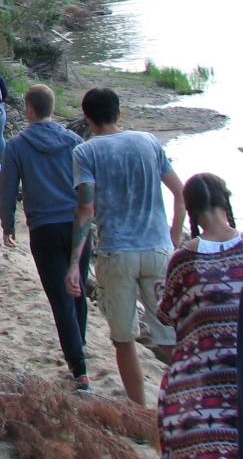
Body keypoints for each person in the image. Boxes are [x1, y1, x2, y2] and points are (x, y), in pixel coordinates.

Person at [67, 87, 185, 407]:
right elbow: (180, 192)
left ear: (88, 119)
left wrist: (75, 262)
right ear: (119, 113)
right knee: (171, 337)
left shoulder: (86, 152)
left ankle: (140, 412)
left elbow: (85, 210)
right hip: (159, 251)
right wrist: (175, 238)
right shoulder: (148, 141)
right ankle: (187, 402)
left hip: (116, 253)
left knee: (123, 338)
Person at [0, 84, 92, 391]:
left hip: (44, 228)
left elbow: (8, 187)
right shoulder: (75, 141)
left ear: (28, 109)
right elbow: (86, 188)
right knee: (77, 290)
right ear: (51, 108)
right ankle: (80, 351)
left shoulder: (17, 145)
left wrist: (7, 222)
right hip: (78, 225)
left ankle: (78, 367)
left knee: (59, 298)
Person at [157, 173, 243, 457]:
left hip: (199, 382)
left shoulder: (184, 259)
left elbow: (167, 314)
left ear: (190, 210)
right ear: (225, 202)